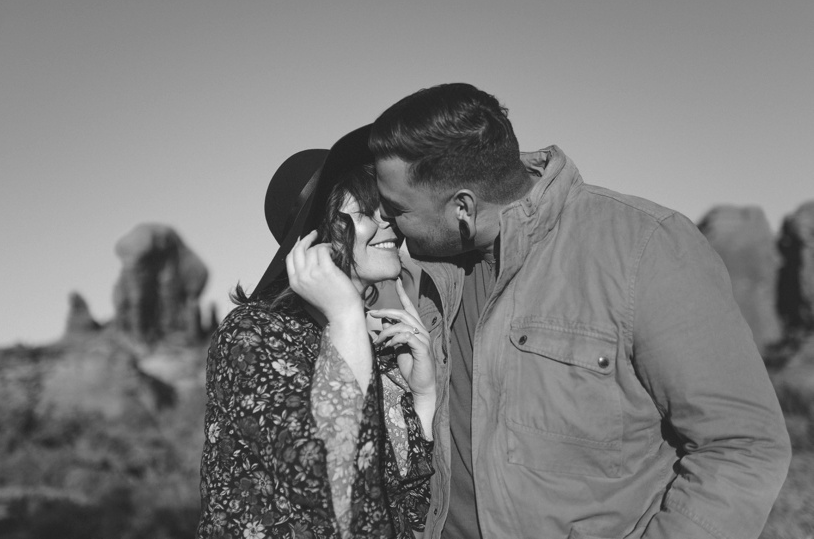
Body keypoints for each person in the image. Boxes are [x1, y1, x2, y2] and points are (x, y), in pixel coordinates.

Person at [366, 83, 792, 539]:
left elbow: (742, 446)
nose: (384, 222)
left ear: (463, 208)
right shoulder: (421, 276)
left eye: (396, 209)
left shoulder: (644, 246)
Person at [196, 125, 436, 539]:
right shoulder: (254, 335)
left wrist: (424, 397)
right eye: (365, 211)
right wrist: (344, 317)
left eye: (387, 207)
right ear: (318, 233)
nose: (389, 222)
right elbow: (325, 486)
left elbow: (407, 502)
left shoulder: (376, 344)